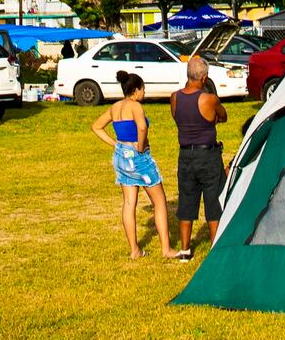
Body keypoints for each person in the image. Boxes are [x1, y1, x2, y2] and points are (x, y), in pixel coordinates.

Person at [91, 72, 175, 258]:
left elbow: (96, 127)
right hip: (138, 158)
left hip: (121, 157)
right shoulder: (135, 106)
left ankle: (134, 250)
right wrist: (141, 145)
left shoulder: (115, 107)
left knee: (129, 203)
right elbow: (142, 127)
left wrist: (115, 144)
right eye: (143, 89)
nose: (144, 93)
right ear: (136, 90)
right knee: (159, 201)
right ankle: (166, 249)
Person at [168, 56, 228, 261]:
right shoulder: (208, 99)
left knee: (186, 200)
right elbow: (223, 115)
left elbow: (178, 118)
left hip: (185, 155)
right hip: (208, 155)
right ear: (204, 78)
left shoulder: (174, 97)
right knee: (213, 201)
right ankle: (215, 247)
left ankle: (185, 250)